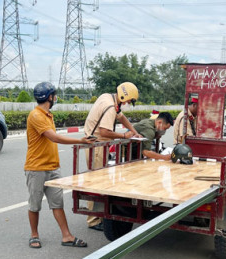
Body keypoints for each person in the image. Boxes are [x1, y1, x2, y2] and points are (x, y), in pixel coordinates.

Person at [24, 82, 96, 248]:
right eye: (54, 95)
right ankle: (34, 235)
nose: (55, 97)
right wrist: (80, 140)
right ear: (50, 97)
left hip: (53, 167)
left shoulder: (48, 115)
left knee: (57, 203)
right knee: (35, 204)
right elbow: (54, 137)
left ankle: (67, 236)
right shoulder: (36, 116)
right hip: (36, 168)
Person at [83, 82, 143, 231]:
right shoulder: (110, 108)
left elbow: (122, 118)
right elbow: (104, 132)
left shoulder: (108, 98)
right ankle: (94, 220)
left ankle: (96, 216)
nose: (128, 104)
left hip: (96, 144)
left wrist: (134, 132)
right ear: (123, 97)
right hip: (97, 146)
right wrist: (123, 135)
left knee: (97, 181)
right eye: (129, 101)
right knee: (97, 183)